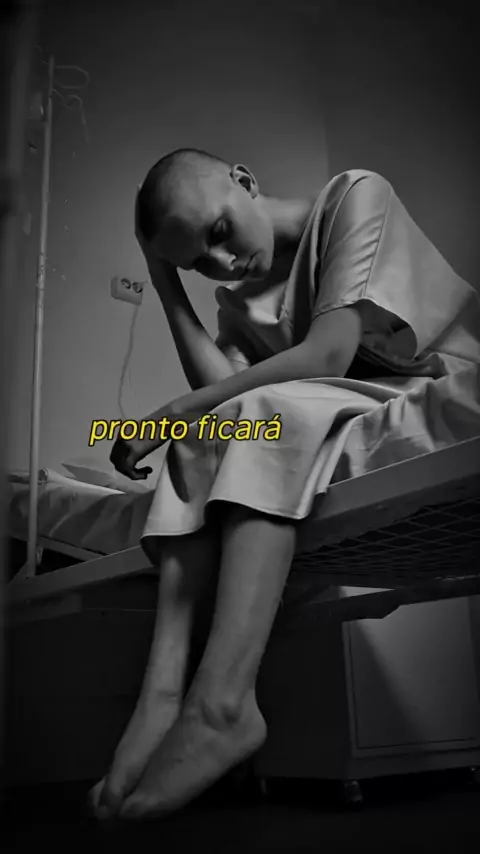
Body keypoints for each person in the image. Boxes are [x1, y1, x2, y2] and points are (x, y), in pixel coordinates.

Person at [90, 149, 480, 821]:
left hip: (423, 381)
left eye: (218, 233)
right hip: (339, 404)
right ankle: (161, 696)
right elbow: (217, 404)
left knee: (244, 413)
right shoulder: (240, 302)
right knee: (202, 435)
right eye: (198, 263)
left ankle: (222, 702)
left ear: (245, 181)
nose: (222, 263)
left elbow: (328, 354)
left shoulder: (354, 196)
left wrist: (170, 412)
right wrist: (164, 281)